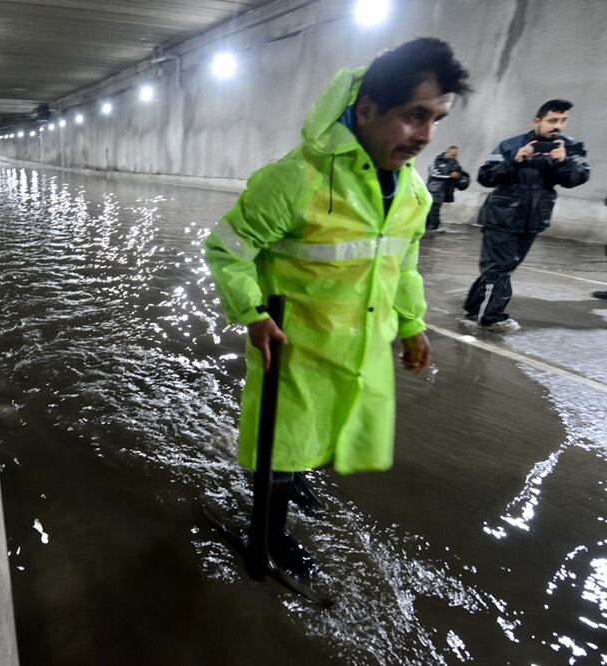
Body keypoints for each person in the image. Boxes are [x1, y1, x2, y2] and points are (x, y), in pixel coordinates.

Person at [203, 38, 470, 580]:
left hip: (358, 348)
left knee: (320, 435)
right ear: (366, 110)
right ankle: (270, 534)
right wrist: (253, 316)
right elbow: (225, 249)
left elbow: (404, 265)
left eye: (436, 119)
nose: (425, 136)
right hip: (292, 348)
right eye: (413, 116)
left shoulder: (414, 193)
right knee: (283, 441)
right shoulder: (297, 178)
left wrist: (413, 325)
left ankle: (288, 483)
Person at [462, 100, 590, 331]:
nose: (557, 126)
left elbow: (578, 178)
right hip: (501, 218)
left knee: (502, 269)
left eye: (562, 121)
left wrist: (564, 162)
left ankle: (473, 309)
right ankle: (489, 318)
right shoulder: (511, 145)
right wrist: (514, 160)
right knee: (498, 269)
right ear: (537, 121)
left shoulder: (569, 147)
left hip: (533, 220)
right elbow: (485, 177)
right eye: (552, 121)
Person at [425, 145, 470, 231]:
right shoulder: (437, 161)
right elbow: (433, 174)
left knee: (434, 209)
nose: (455, 157)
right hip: (434, 190)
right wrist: (449, 176)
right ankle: (434, 227)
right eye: (453, 155)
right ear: (447, 153)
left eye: (456, 155)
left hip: (444, 191)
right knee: (433, 210)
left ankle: (430, 227)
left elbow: (460, 175)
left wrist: (460, 178)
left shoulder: (455, 163)